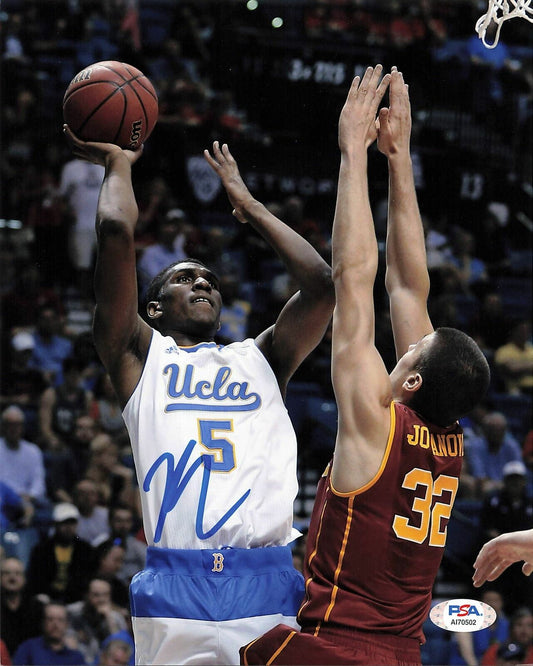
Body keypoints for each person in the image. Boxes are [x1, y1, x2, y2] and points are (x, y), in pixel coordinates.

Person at [240, 66, 490, 665]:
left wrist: (354, 153)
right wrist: (399, 159)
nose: (402, 344)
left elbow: (354, 283)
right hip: (404, 655)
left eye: (406, 353)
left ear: (410, 380)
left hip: (340, 650)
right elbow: (408, 291)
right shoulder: (449, 438)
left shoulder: (374, 427)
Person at [62, 121, 334, 666]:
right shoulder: (139, 358)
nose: (203, 283)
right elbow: (116, 231)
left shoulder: (260, 359)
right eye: (185, 278)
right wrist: (118, 166)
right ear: (154, 308)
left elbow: (322, 286)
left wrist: (250, 206)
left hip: (266, 575)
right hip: (176, 580)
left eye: (208, 278)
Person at [25, 501, 97, 603]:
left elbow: (87, 578)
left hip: (76, 598)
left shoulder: (85, 550)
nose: (68, 527)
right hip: (47, 597)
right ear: (56, 524)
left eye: (72, 523)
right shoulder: (42, 549)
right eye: (64, 523)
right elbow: (36, 579)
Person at [66, 577, 128, 665]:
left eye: (105, 595)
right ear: (87, 595)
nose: (101, 599)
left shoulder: (116, 618)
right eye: (96, 595)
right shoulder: (73, 612)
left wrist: (109, 619)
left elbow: (121, 648)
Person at [12, 602, 86, 666]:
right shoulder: (28, 649)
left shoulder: (75, 657)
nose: (55, 624)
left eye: (60, 620)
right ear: (43, 623)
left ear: (66, 624)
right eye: (50, 619)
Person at [0, 557, 44, 656]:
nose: (12, 578)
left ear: (24, 578)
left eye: (17, 573)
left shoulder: (37, 607)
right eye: (7, 573)